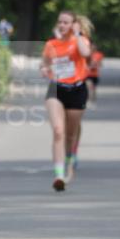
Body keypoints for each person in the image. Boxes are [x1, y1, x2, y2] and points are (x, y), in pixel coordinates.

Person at [40, 11, 91, 191]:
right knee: (58, 131)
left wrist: (76, 34)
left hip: (77, 90)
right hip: (56, 89)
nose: (62, 25)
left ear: (74, 25)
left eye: (66, 22)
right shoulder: (51, 44)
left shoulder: (80, 41)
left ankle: (69, 163)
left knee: (70, 135)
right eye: (60, 22)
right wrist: (44, 69)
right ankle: (59, 175)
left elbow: (86, 53)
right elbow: (44, 63)